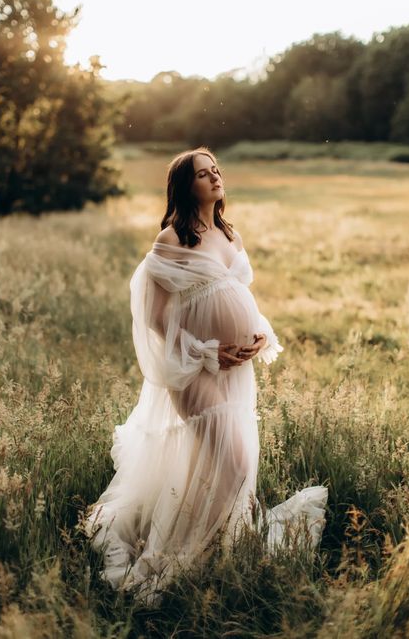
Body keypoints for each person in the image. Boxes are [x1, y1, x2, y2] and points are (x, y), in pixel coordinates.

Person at [84, 146, 328, 605]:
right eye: (202, 173)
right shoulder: (172, 241)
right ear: (184, 185)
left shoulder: (228, 235)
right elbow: (154, 316)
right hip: (194, 370)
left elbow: (239, 295)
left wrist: (258, 335)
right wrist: (207, 349)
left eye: (216, 170)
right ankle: (176, 562)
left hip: (236, 371)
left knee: (226, 465)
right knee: (233, 462)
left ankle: (220, 543)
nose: (215, 177)